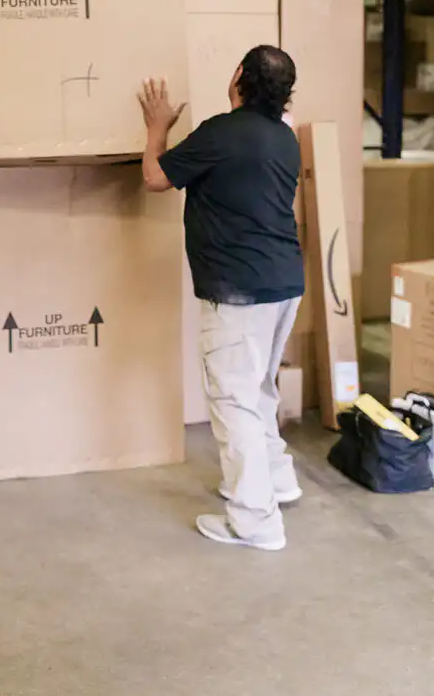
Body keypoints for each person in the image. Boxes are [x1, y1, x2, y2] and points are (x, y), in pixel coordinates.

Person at [139, 46, 304, 552]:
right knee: (257, 391)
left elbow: (155, 178)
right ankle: (277, 482)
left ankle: (256, 521)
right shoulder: (286, 137)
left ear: (239, 79)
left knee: (234, 402)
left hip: (239, 291)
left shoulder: (221, 132)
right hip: (283, 285)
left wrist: (156, 127)